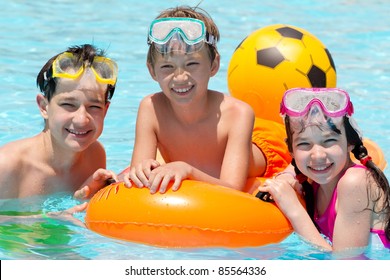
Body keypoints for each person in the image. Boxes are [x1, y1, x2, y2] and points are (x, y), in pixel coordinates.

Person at [123, 5, 291, 194]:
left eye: (192, 63)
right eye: (167, 67)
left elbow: (233, 190)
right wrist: (143, 170)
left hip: (268, 147)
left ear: (214, 65)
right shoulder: (151, 108)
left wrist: (187, 170)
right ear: (152, 70)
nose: (180, 77)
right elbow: (138, 180)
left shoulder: (238, 114)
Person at [258, 87, 390, 255]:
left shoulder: (355, 182)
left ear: (350, 142)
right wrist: (286, 176)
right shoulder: (314, 178)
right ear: (291, 150)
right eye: (304, 144)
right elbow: (295, 165)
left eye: (329, 141)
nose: (318, 155)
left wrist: (293, 209)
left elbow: (346, 264)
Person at [0, 44, 118, 201]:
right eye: (68, 105)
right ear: (44, 107)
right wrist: (58, 218)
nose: (81, 119)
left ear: (106, 110)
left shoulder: (94, 154)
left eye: (94, 107)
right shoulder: (8, 165)